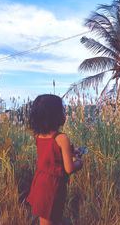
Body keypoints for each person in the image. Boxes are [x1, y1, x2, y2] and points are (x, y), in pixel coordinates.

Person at [26, 94, 83, 225]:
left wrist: (70, 151)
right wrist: (79, 162)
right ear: (55, 115)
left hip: (40, 183)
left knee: (46, 220)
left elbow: (50, 154)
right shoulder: (62, 138)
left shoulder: (38, 135)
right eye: (62, 109)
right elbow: (69, 168)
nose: (64, 112)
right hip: (53, 187)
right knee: (51, 219)